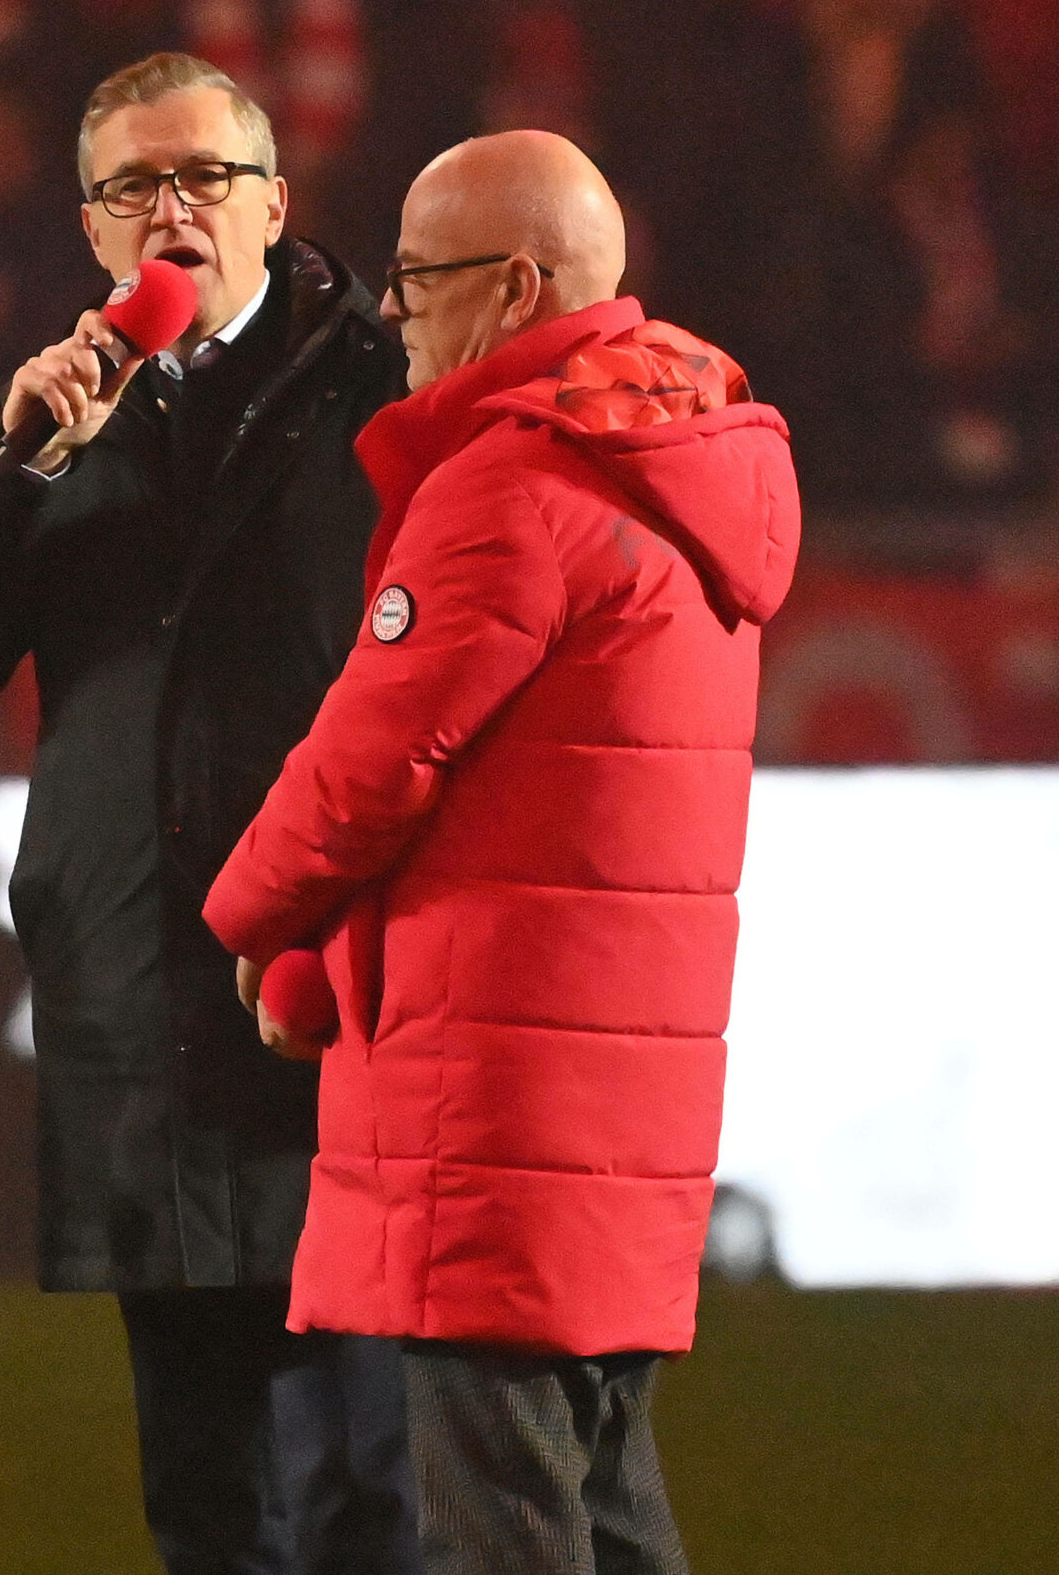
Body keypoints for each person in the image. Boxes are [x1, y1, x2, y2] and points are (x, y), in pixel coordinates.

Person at [203, 131, 801, 1574]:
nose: (393, 313)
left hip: (496, 1097)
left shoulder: (507, 489)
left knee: (501, 1525)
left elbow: (369, 764)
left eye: (419, 278)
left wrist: (246, 917)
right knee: (604, 1503)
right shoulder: (686, 468)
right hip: (612, 1104)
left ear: (519, 286)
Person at [0, 52, 417, 1575]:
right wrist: (13, 460)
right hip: (138, 978)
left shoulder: (376, 386)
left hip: (328, 975)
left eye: (201, 176)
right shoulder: (68, 410)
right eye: (133, 184)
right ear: (93, 226)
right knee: (202, 1489)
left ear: (274, 205)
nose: (169, 206)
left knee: (363, 1476)